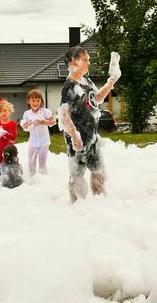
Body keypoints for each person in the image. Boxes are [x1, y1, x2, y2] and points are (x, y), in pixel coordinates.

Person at [58, 46, 120, 202]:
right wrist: (74, 136)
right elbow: (64, 115)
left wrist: (111, 81)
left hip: (92, 137)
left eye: (88, 60)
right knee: (77, 173)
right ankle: (76, 205)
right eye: (85, 60)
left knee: (97, 169)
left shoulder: (86, 81)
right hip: (78, 138)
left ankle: (99, 201)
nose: (89, 63)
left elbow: (97, 97)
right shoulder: (70, 86)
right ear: (73, 62)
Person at [20, 89, 55, 177]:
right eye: (33, 100)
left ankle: (42, 180)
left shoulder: (45, 111)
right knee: (31, 162)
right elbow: (24, 126)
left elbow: (53, 121)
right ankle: (32, 180)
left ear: (41, 101)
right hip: (33, 142)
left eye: (38, 100)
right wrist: (26, 125)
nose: (35, 103)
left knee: (42, 162)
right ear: (28, 101)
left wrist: (44, 122)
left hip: (44, 141)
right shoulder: (27, 113)